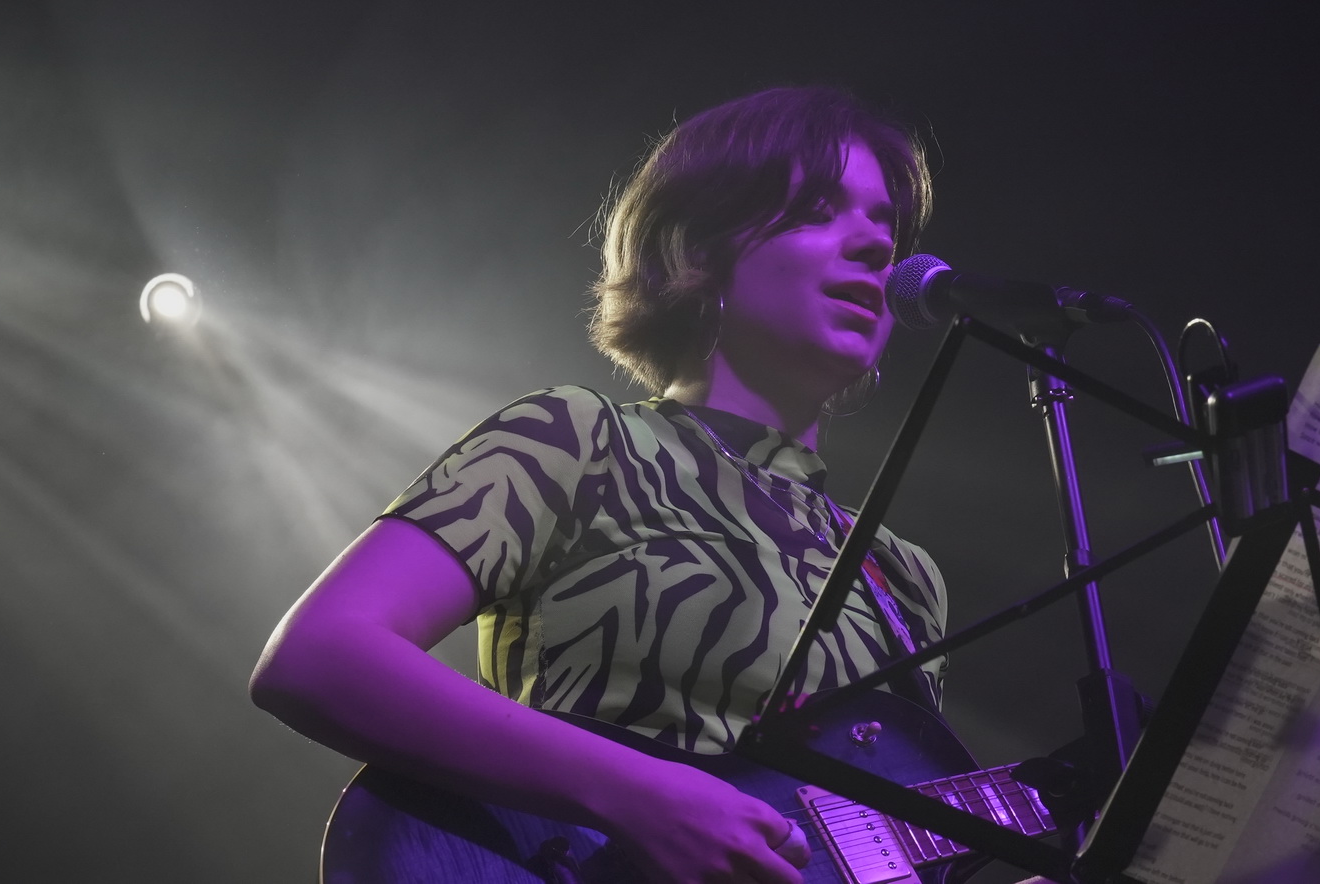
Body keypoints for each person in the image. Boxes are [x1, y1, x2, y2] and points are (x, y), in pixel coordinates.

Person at [251, 86, 956, 884]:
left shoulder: (902, 576)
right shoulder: (580, 439)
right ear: (697, 250)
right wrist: (641, 798)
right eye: (819, 211)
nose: (875, 246)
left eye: (886, 225)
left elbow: (886, 853)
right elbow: (320, 654)